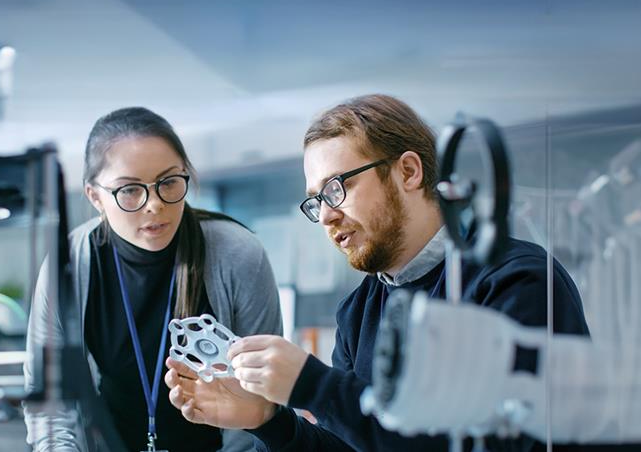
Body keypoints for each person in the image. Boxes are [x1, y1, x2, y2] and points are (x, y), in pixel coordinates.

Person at [163, 94, 599, 451]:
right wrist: (270, 421)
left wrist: (316, 386)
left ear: (408, 171)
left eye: (338, 188)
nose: (327, 217)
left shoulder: (516, 282)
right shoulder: (358, 311)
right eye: (317, 201)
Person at [24, 107, 284, 452]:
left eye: (169, 182)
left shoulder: (237, 254)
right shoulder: (69, 265)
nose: (154, 205)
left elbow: (261, 397)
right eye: (130, 190)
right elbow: (50, 402)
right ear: (95, 196)